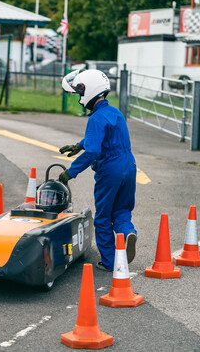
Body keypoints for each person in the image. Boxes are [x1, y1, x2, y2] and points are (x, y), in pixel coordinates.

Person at [58, 69, 137, 271]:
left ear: (89, 90)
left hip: (110, 169)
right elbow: (104, 137)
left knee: (102, 216)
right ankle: (128, 232)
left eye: (79, 92)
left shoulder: (95, 118)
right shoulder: (114, 113)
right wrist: (80, 144)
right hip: (129, 165)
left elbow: (93, 151)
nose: (78, 99)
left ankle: (110, 262)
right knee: (121, 210)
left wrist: (70, 172)